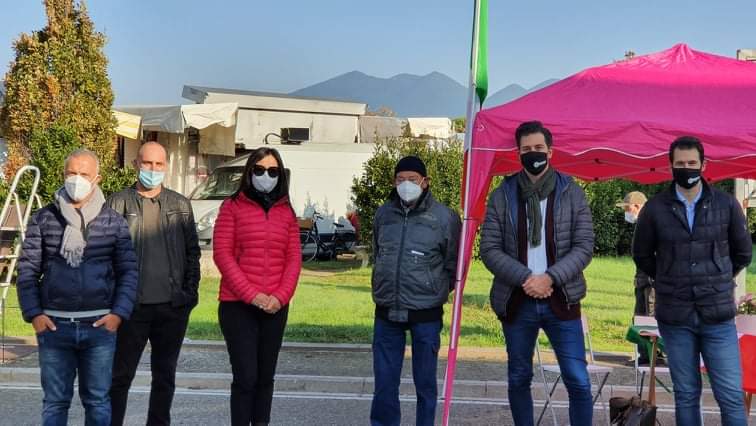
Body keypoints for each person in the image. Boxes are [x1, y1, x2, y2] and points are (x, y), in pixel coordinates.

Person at [480, 121, 594, 426]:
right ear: (518, 153)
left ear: (550, 151)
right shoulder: (503, 195)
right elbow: (489, 248)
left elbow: (584, 246)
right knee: (519, 377)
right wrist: (526, 279)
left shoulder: (572, 192)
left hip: (562, 298)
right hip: (517, 300)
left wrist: (550, 278)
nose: (534, 154)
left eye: (539, 148)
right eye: (527, 149)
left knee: (577, 378)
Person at [633, 136, 752, 426]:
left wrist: (717, 278)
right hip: (676, 317)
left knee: (730, 395)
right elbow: (642, 255)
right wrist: (668, 278)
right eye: (680, 164)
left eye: (692, 163)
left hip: (717, 316)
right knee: (686, 394)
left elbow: (743, 253)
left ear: (703, 165)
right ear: (670, 166)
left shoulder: (726, 205)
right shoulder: (655, 208)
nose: (686, 169)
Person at [17, 149, 138, 425]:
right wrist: (34, 314)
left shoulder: (113, 222)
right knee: (55, 402)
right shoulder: (44, 218)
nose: (77, 179)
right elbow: (27, 270)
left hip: (99, 327)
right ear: (63, 175)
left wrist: (118, 314)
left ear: (97, 178)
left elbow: (129, 271)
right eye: (71, 173)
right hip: (54, 327)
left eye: (84, 174)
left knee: (97, 402)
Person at [107, 142, 201, 425]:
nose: (153, 169)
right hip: (130, 309)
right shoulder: (117, 203)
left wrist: (189, 295)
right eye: (147, 163)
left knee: (164, 377)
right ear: (136, 164)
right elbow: (103, 255)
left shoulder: (180, 205)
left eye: (159, 164)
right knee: (119, 377)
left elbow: (192, 253)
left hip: (172, 308)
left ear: (166, 166)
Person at [369, 155, 461, 426]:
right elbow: (378, 252)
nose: (406, 184)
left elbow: (453, 263)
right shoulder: (383, 214)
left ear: (425, 182)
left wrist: (435, 288)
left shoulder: (444, 217)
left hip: (426, 312)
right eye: (400, 179)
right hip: (387, 309)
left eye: (412, 179)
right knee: (384, 383)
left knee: (425, 384)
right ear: (393, 182)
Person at [213, 147, 302, 426]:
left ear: (280, 175)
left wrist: (280, 297)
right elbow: (222, 255)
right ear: (249, 172)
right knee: (246, 377)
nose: (266, 176)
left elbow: (294, 259)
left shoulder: (286, 212)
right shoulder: (231, 207)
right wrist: (252, 296)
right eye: (260, 170)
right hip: (238, 306)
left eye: (273, 171)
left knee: (265, 378)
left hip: (275, 307)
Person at [617, 191, 656, 364]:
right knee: (641, 317)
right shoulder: (644, 223)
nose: (626, 212)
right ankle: (645, 355)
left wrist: (651, 277)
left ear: (637, 206)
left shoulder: (651, 224)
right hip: (643, 279)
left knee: (649, 317)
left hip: (650, 281)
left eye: (627, 208)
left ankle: (654, 355)